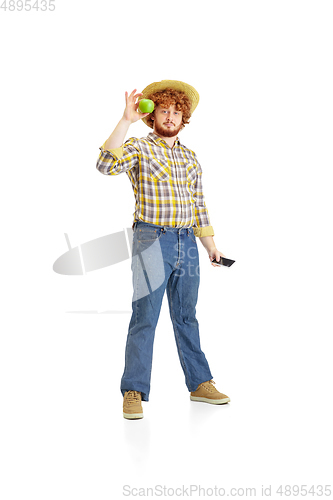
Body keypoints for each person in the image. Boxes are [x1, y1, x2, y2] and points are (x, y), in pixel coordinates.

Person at [96, 80, 230, 419]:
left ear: (184, 118)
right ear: (152, 114)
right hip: (151, 238)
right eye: (164, 110)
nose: (170, 116)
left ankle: (200, 383)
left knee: (186, 315)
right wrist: (124, 120)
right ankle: (134, 390)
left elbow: (199, 204)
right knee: (146, 316)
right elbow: (105, 165)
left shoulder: (190, 157)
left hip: (187, 241)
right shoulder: (140, 146)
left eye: (176, 112)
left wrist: (211, 246)